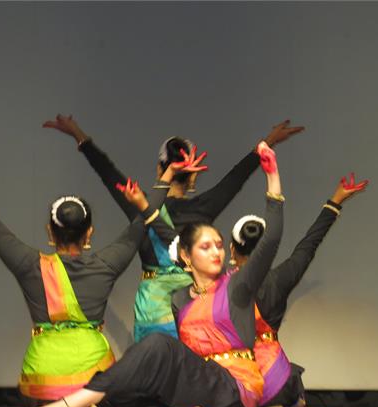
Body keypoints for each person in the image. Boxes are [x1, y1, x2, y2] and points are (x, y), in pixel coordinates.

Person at [19, 141, 284, 407]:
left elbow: (270, 241)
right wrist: (151, 197)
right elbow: (164, 232)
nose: (216, 252)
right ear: (185, 256)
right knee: (117, 394)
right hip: (201, 391)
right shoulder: (181, 299)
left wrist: (272, 178)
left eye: (219, 245)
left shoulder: (238, 286)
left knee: (157, 345)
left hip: (235, 394)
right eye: (206, 247)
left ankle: (68, 405)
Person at [0, 142, 200, 407]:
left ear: (50, 231)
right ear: (89, 233)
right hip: (93, 389)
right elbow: (142, 222)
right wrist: (167, 177)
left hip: (42, 388)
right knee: (116, 394)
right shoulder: (106, 264)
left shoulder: (30, 265)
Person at [43, 115, 304, 342]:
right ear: (193, 176)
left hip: (153, 307)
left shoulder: (140, 204)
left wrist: (78, 134)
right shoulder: (204, 208)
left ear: (160, 169)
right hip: (193, 302)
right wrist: (267, 142)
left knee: (154, 369)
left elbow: (107, 172)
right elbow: (236, 178)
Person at [229, 173, 369, 407]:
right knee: (287, 379)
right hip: (275, 377)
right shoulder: (280, 279)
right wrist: (335, 201)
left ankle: (262, 406)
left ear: (232, 249)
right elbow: (308, 245)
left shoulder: (222, 285)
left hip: (237, 376)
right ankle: (282, 404)